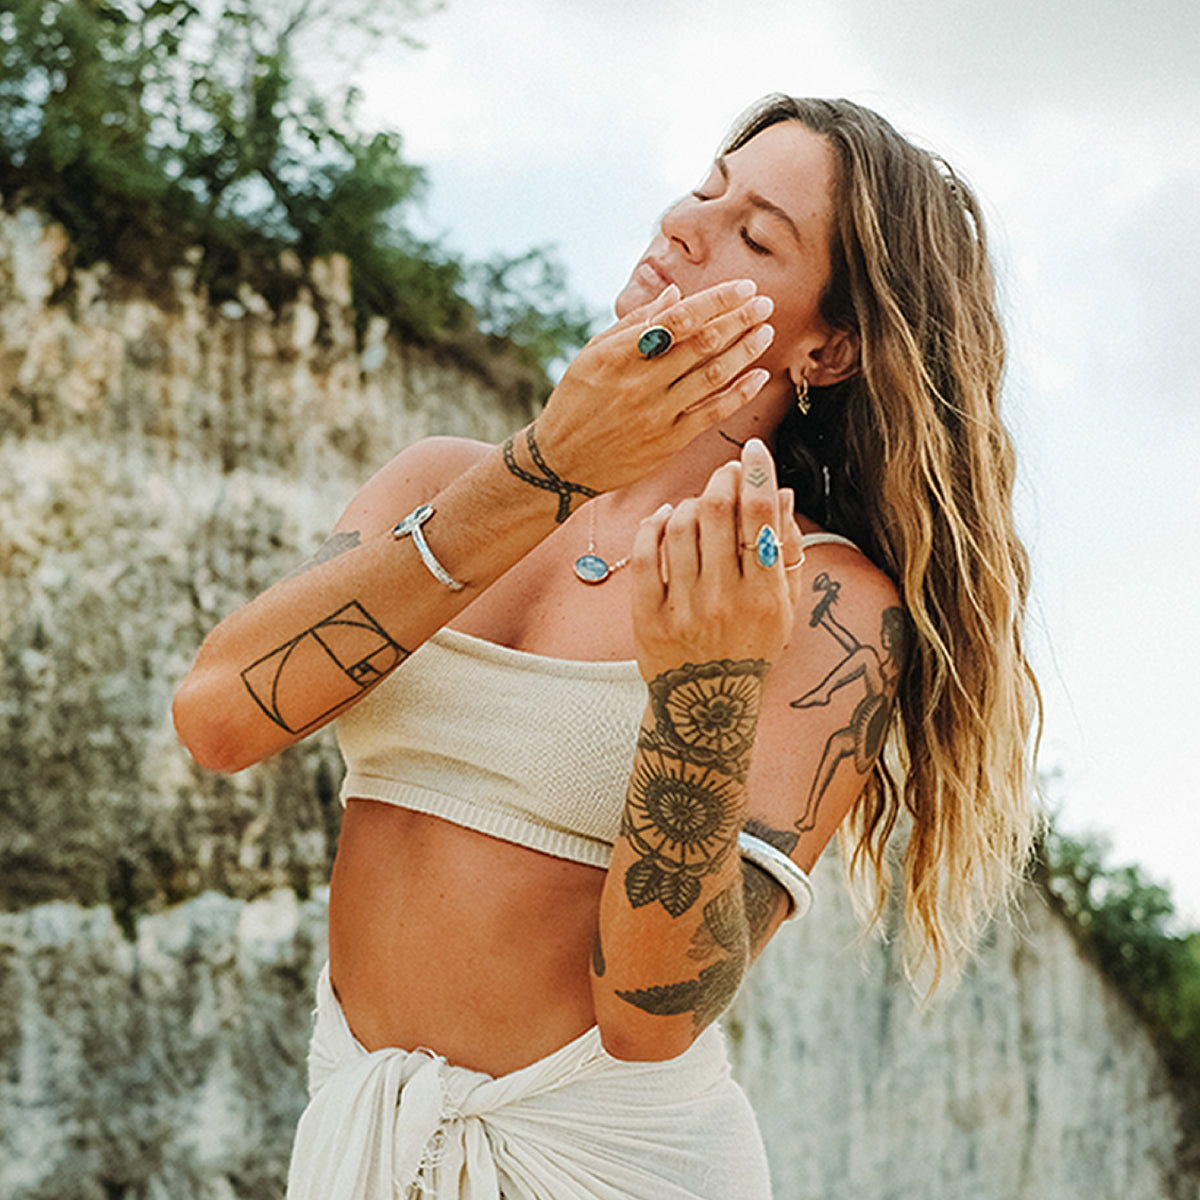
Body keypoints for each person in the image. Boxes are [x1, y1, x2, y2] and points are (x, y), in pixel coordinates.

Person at [173, 94, 1040, 1199]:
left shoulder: (825, 601)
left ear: (828, 348)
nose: (685, 222)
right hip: (358, 1136)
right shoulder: (444, 482)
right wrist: (542, 469)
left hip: (607, 1163)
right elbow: (217, 719)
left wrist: (707, 687)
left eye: (754, 234)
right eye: (709, 187)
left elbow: (650, 1017)